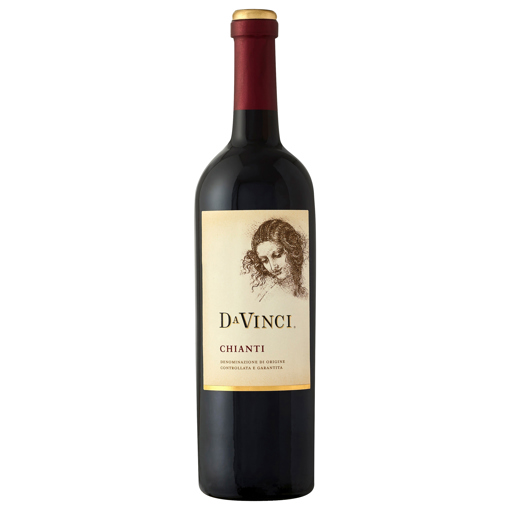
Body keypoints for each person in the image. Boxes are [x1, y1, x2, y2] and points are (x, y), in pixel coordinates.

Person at [242, 218, 308, 301]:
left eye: (277, 255)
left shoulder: (305, 293)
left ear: (291, 250)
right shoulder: (269, 298)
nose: (272, 266)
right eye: (264, 261)